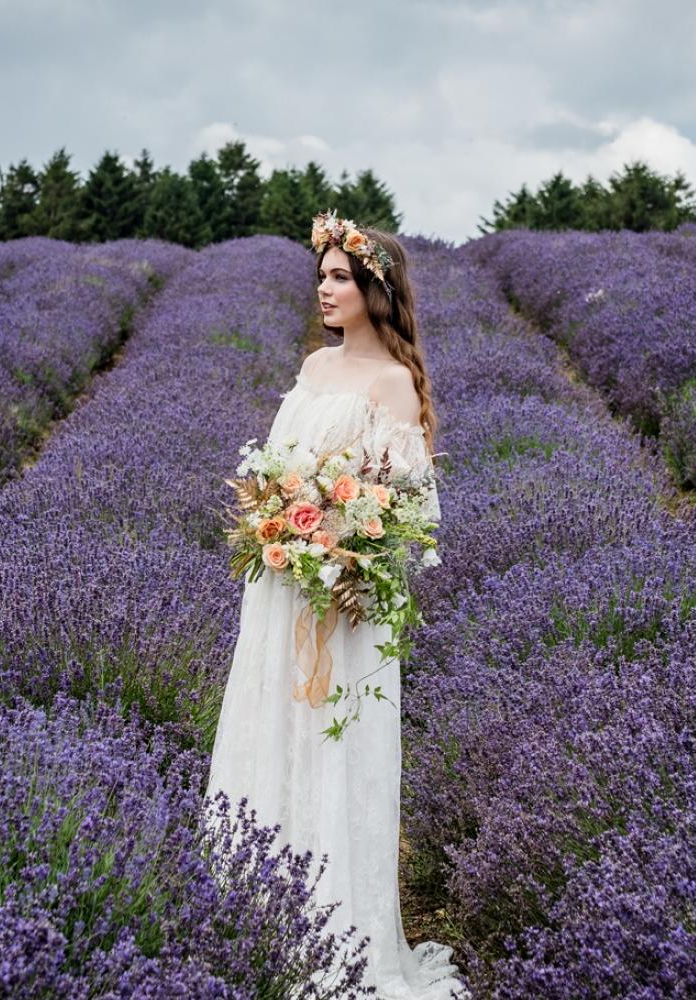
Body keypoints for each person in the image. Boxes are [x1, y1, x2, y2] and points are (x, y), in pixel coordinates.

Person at [204, 212, 465, 999]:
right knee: (273, 725)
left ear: (374, 289)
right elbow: (277, 469)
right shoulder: (314, 369)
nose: (324, 288)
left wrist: (348, 542)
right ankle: (256, 920)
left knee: (334, 739)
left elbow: (415, 513)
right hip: (283, 588)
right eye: (320, 276)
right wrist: (277, 518)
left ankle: (336, 933)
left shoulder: (391, 383)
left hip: (348, 606)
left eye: (339, 277)